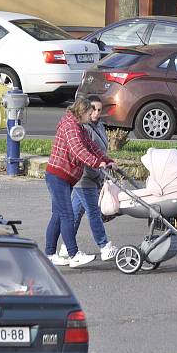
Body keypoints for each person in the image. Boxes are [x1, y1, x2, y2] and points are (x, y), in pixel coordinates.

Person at [45, 96, 116, 268]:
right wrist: (96, 163)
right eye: (90, 112)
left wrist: (106, 159)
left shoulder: (80, 127)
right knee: (67, 215)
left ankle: (49, 254)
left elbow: (91, 146)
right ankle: (73, 254)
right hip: (58, 175)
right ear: (83, 112)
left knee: (57, 215)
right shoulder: (71, 127)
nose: (92, 115)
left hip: (66, 176)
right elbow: (78, 150)